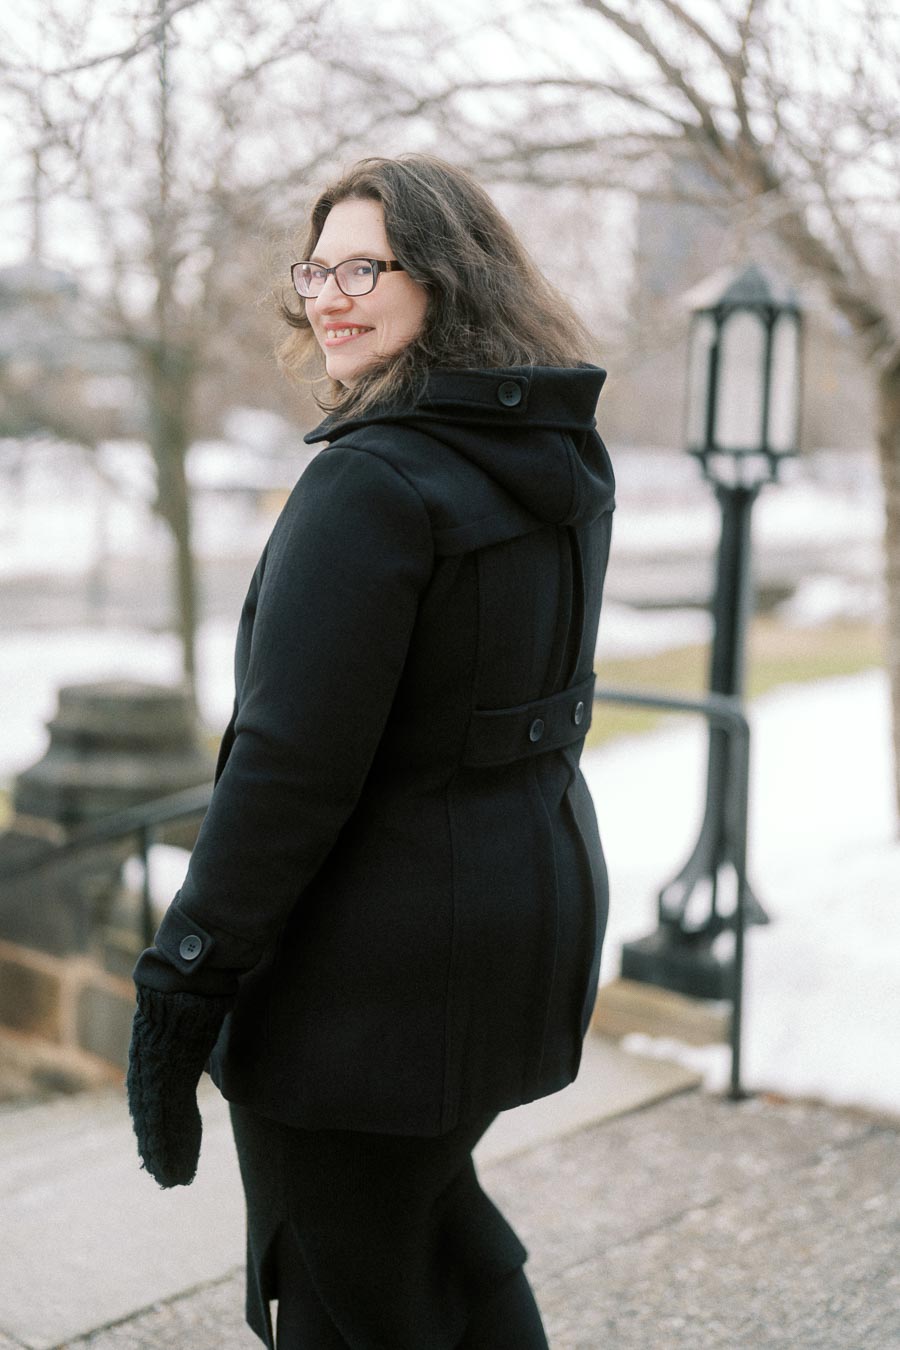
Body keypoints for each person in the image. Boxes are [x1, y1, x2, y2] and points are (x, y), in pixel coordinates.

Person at [127, 153, 615, 1350]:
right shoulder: (560, 457)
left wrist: (182, 981)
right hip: (522, 930)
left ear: (444, 282)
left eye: (365, 268)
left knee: (347, 1287)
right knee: (434, 1222)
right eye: (317, 270)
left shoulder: (371, 483)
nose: (328, 298)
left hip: (373, 985)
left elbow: (287, 774)